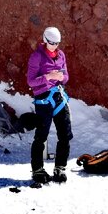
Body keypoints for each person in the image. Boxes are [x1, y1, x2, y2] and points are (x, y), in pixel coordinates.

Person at [26, 26, 72, 186]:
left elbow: (66, 77)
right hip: (44, 100)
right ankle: (37, 169)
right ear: (45, 40)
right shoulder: (36, 57)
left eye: (57, 43)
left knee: (65, 134)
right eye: (51, 43)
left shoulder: (61, 55)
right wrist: (48, 77)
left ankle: (60, 167)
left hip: (59, 97)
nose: (54, 46)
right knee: (41, 135)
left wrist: (61, 77)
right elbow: (31, 81)